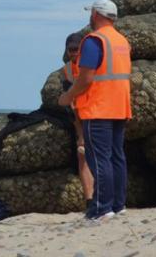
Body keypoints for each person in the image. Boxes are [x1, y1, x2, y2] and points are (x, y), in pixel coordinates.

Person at [58, 0, 132, 221]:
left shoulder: (94, 41)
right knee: (117, 157)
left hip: (98, 107)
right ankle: (118, 205)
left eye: (91, 13)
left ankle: (101, 208)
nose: (89, 17)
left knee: (99, 159)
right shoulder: (121, 41)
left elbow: (86, 78)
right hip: (120, 106)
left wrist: (67, 96)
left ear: (97, 15)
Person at [62, 32, 94, 208]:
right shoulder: (67, 71)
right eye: (70, 50)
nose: (73, 53)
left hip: (97, 114)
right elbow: (71, 105)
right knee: (82, 155)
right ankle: (90, 200)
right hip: (81, 116)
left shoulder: (91, 65)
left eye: (76, 49)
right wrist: (80, 134)